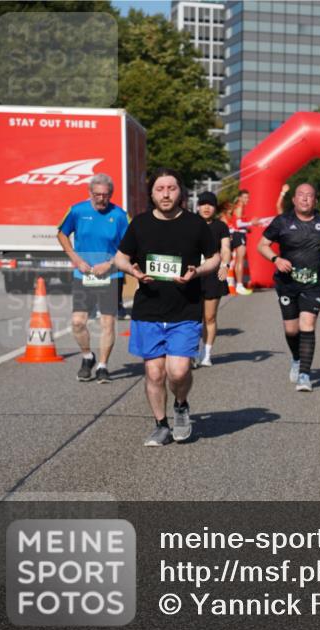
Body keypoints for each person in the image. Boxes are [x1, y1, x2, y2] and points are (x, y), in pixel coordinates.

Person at [114, 168, 220, 446]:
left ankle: (181, 405)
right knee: (154, 372)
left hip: (184, 309)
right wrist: (133, 272)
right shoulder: (139, 224)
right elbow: (120, 258)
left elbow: (215, 258)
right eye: (160, 188)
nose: (165, 194)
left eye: (171, 188)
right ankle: (161, 425)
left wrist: (197, 272)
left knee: (179, 371)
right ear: (151, 193)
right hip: (148, 309)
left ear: (180, 193)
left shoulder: (195, 224)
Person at [258, 183, 320, 392]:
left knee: (308, 324)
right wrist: (276, 259)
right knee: (291, 329)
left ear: (315, 201)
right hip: (287, 283)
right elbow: (262, 245)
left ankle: (305, 374)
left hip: (314, 282)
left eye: (310, 196)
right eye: (301, 195)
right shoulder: (282, 221)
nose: (305, 199)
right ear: (294, 200)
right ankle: (296, 358)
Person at [56, 173, 129, 383]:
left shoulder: (120, 215)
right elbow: (62, 234)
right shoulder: (77, 210)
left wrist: (110, 263)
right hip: (83, 274)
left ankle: (103, 366)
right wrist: (76, 260)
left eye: (105, 195)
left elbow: (128, 245)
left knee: (107, 322)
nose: (101, 199)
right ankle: (88, 357)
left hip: (111, 274)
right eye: (97, 194)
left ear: (111, 195)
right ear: (90, 193)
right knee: (78, 322)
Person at [195, 191, 232, 368]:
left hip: (213, 275)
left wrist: (225, 265)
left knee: (209, 316)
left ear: (215, 207)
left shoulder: (220, 227)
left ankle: (207, 353)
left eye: (210, 204)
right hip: (192, 274)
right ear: (198, 206)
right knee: (192, 318)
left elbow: (225, 248)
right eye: (203, 204)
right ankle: (192, 353)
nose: (206, 207)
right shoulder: (189, 222)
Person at [229, 190, 253, 295]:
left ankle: (237, 284)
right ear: (239, 198)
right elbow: (238, 224)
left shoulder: (239, 207)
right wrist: (252, 223)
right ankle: (239, 285)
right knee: (240, 260)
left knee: (238, 260)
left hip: (238, 234)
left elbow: (237, 223)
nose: (247, 200)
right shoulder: (240, 206)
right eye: (245, 197)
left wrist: (247, 228)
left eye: (248, 197)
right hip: (238, 235)